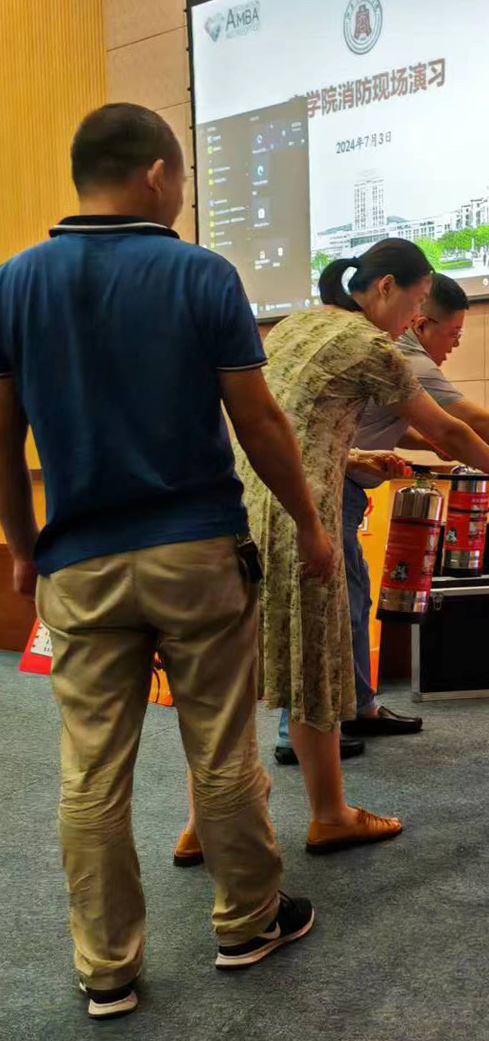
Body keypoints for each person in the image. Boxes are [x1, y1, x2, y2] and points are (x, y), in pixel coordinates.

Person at [0, 103, 329, 1020]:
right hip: (197, 553)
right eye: (182, 177)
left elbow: (1, 440)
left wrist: (23, 548)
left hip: (81, 561)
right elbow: (258, 420)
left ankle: (106, 968)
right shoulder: (201, 274)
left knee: (90, 770)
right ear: (156, 174)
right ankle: (247, 921)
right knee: (220, 747)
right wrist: (308, 523)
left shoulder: (14, 283)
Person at [208, 237, 489, 858]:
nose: (416, 320)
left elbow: (289, 423)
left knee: (229, 671)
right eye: (417, 302)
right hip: (301, 515)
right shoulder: (370, 345)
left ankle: (203, 823)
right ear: (386, 288)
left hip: (244, 503)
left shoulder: (296, 324)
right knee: (314, 662)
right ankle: (331, 815)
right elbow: (448, 431)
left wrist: (354, 455)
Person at [269, 272, 489, 762]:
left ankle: (358, 706)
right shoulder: (399, 355)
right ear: (417, 317)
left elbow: (393, 424)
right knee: (326, 605)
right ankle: (298, 732)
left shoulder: (375, 349)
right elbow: (467, 425)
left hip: (343, 487)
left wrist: (430, 445)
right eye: (453, 332)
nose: (454, 344)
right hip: (322, 492)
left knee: (353, 597)